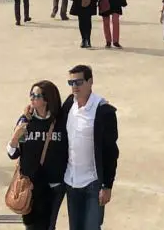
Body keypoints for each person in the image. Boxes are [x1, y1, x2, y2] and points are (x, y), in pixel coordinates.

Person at [62, 64, 119, 230]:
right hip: (71, 181)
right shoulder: (69, 105)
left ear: (90, 81)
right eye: (71, 83)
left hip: (93, 183)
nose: (75, 87)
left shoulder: (103, 111)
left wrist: (107, 185)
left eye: (78, 82)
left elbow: (110, 151)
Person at [7, 80, 68, 230]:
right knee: (31, 226)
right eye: (31, 94)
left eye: (37, 95)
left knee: (47, 226)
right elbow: (13, 154)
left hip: (53, 185)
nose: (32, 98)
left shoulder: (60, 122)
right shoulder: (26, 121)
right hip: (30, 185)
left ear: (47, 99)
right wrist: (15, 138)